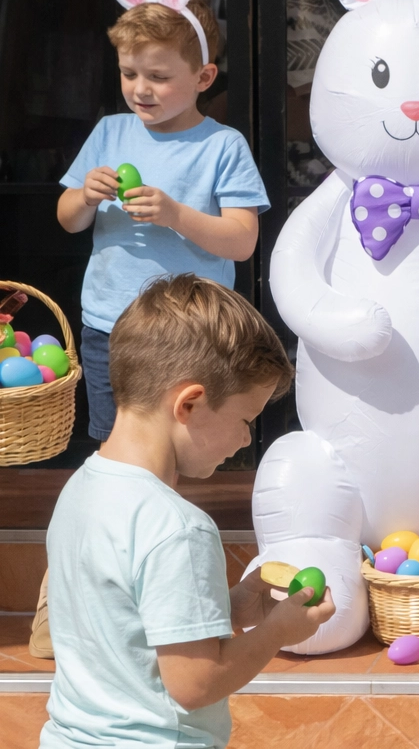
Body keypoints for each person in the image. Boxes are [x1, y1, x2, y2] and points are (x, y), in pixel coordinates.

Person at [40, 274, 335, 749]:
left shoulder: (80, 490)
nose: (245, 439)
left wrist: (230, 607)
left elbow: (124, 630)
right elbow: (195, 684)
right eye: (245, 420)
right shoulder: (179, 528)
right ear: (190, 403)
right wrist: (278, 631)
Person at [56, 0, 269, 442]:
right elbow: (67, 219)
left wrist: (175, 214)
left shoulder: (221, 144)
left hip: (190, 331)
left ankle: (173, 519)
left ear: (203, 78)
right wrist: (85, 196)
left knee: (186, 443)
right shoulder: (110, 132)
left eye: (158, 77)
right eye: (129, 74)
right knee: (115, 441)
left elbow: (242, 241)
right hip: (111, 324)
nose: (140, 89)